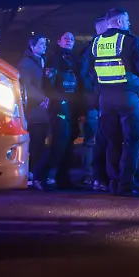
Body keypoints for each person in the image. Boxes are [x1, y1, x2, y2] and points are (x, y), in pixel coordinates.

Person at [81, 7, 139, 196]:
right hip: (128, 96)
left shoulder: (96, 42)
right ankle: (126, 185)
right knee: (133, 140)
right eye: (127, 20)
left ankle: (113, 183)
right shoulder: (130, 40)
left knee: (112, 141)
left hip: (105, 98)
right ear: (120, 22)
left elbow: (87, 70)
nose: (129, 24)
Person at [46, 31, 84, 189]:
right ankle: (42, 175)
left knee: (69, 143)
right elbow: (48, 82)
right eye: (66, 38)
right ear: (59, 41)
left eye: (72, 38)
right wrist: (58, 99)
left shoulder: (74, 58)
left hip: (73, 105)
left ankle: (64, 178)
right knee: (59, 142)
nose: (69, 41)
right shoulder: (54, 58)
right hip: (60, 105)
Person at [17, 33, 52, 190]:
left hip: (44, 108)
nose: (44, 46)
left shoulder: (42, 61)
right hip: (34, 109)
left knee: (41, 141)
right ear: (32, 46)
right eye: (41, 43)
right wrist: (42, 98)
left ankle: (37, 172)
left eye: (45, 43)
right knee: (35, 141)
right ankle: (30, 173)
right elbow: (26, 86)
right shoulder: (26, 64)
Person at [81, 16, 110, 192]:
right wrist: (94, 94)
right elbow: (85, 76)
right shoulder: (90, 50)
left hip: (105, 100)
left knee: (104, 139)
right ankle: (90, 175)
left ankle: (102, 176)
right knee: (92, 140)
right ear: (100, 29)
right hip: (95, 102)